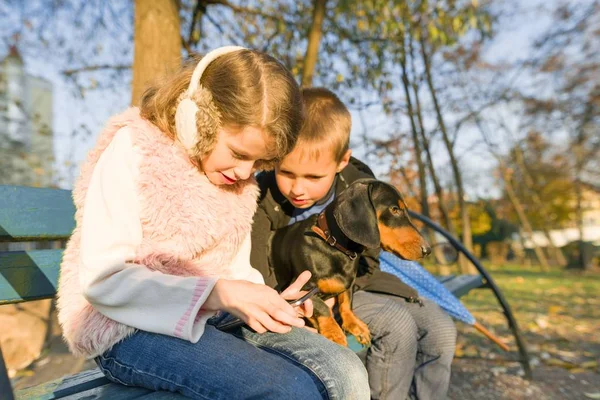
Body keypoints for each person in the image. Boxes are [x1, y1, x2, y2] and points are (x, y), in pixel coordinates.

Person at [57, 47, 369, 400]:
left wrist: (268, 299)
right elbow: (104, 281)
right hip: (128, 327)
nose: (244, 172)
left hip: (212, 315)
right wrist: (218, 292)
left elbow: (233, 270)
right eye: (238, 154)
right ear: (197, 120)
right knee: (287, 390)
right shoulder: (134, 151)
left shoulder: (236, 181)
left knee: (346, 371)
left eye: (258, 162)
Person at [251, 87, 457, 400]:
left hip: (354, 283)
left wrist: (342, 296)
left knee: (441, 330)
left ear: (341, 161)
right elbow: (260, 269)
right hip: (296, 297)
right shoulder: (261, 194)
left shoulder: (360, 184)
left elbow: (370, 260)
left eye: (312, 177)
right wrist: (310, 303)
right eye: (286, 172)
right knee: (397, 326)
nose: (297, 188)